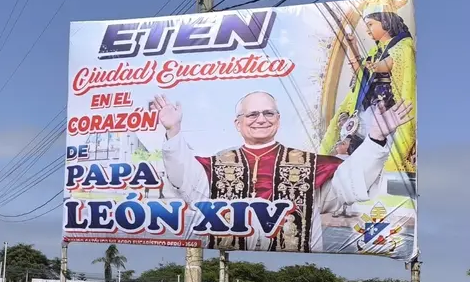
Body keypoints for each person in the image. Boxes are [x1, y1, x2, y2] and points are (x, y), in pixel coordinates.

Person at [154, 91, 411, 253]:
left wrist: (375, 139)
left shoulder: (309, 164)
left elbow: (347, 186)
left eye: (268, 113)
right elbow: (186, 180)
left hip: (293, 267)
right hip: (224, 259)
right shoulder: (219, 163)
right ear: (238, 123)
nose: (261, 119)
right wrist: (173, 131)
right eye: (252, 114)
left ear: (278, 120)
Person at [319, 11, 416, 176]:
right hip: (369, 109)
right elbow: (360, 71)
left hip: (387, 111)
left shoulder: (403, 46)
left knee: (378, 154)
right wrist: (352, 46)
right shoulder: (375, 51)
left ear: (386, 23)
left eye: (371, 24)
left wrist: (375, 67)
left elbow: (388, 64)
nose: (368, 30)